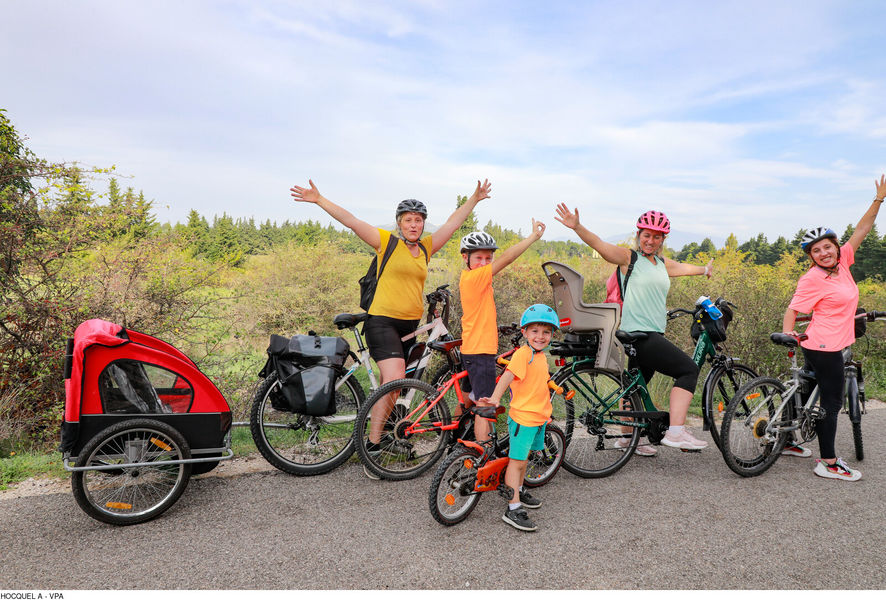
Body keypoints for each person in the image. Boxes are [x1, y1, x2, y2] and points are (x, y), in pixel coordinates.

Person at [290, 178, 492, 476]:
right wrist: (320, 199)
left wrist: (474, 199)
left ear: (424, 224)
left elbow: (452, 223)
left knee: (400, 386)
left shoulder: (426, 247)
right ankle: (372, 449)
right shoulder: (387, 242)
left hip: (410, 325)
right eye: (409, 220)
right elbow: (352, 221)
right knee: (396, 378)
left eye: (419, 220)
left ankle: (388, 434)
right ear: (399, 223)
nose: (414, 224)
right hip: (382, 321)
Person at [554, 204, 713, 453]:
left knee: (636, 386)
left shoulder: (661, 263)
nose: (651, 240)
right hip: (641, 334)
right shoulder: (630, 259)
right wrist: (577, 227)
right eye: (646, 235)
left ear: (662, 240)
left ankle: (628, 438)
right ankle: (676, 431)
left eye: (657, 237)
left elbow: (684, 268)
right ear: (639, 235)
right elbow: (599, 245)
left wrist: (705, 270)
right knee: (688, 370)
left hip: (648, 333)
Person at [781, 174, 886, 481]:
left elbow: (862, 229)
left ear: (836, 248)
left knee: (807, 389)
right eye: (817, 251)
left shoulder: (843, 263)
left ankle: (787, 440)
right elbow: (794, 307)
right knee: (831, 401)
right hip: (823, 347)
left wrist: (879, 200)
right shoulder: (813, 278)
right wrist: (789, 333)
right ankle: (827, 461)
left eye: (827, 247)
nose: (824, 253)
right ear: (811, 257)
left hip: (825, 342)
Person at [458, 220, 546, 441]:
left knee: (468, 397)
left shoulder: (470, 278)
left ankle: (456, 436)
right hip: (480, 351)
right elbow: (507, 258)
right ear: (465, 258)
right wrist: (532, 238)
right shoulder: (475, 277)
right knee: (485, 404)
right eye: (478, 258)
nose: (484, 263)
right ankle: (483, 453)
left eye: (488, 258)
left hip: (471, 347)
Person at [481, 304, 559, 532]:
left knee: (524, 460)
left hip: (537, 418)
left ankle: (519, 489)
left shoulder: (541, 357)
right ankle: (512, 508)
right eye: (534, 331)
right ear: (524, 332)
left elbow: (540, 387)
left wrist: (547, 413)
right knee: (517, 462)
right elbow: (507, 377)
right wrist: (495, 399)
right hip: (522, 419)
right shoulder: (523, 355)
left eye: (546, 332)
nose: (540, 336)